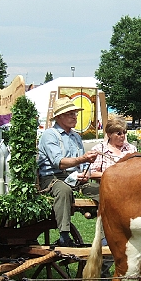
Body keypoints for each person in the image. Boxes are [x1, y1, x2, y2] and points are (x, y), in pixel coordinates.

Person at [37, 98, 99, 247]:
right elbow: (59, 162)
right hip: (51, 178)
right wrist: (83, 159)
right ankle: (64, 236)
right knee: (64, 190)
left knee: (104, 190)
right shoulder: (50, 135)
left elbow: (82, 165)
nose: (74, 117)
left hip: (75, 179)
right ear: (59, 117)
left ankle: (107, 230)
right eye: (70, 114)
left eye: (75, 114)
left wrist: (85, 174)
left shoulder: (76, 136)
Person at [86, 116, 137, 281]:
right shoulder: (100, 149)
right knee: (110, 230)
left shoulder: (131, 150)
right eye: (118, 133)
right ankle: (105, 267)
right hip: (108, 192)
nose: (122, 136)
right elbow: (91, 173)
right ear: (109, 134)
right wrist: (112, 175)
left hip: (129, 193)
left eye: (124, 133)